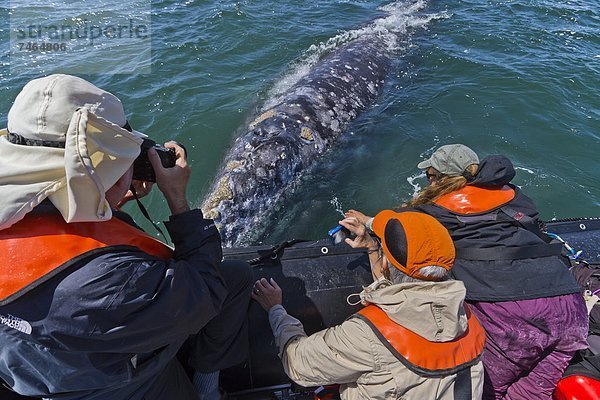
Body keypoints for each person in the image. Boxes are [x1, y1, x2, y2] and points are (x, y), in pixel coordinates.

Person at [0, 74, 252, 400]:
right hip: (104, 384)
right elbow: (203, 295)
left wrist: (106, 198)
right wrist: (178, 201)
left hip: (28, 369)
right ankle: (206, 391)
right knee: (232, 280)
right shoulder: (113, 279)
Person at [348, 144, 589, 400]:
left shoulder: (434, 211)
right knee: (532, 394)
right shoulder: (512, 195)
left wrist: (367, 222)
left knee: (484, 391)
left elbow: (397, 226)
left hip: (514, 316)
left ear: (435, 179)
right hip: (571, 307)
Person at [252, 210, 485, 399]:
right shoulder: (466, 318)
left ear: (385, 264)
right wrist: (373, 249)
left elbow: (298, 364)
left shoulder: (369, 335)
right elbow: (408, 296)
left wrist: (276, 310)